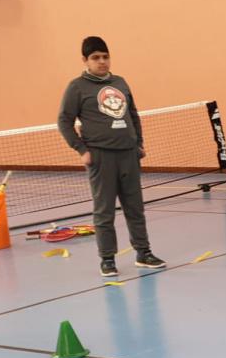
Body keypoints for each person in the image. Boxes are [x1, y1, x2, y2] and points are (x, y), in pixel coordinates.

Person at [57, 36, 166, 278]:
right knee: (104, 211)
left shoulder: (120, 82)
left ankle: (144, 253)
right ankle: (107, 259)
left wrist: (138, 144)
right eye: (96, 58)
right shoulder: (77, 87)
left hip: (128, 154)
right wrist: (81, 150)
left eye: (105, 56)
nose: (102, 61)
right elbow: (64, 121)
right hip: (100, 157)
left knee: (135, 208)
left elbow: (133, 114)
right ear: (85, 60)